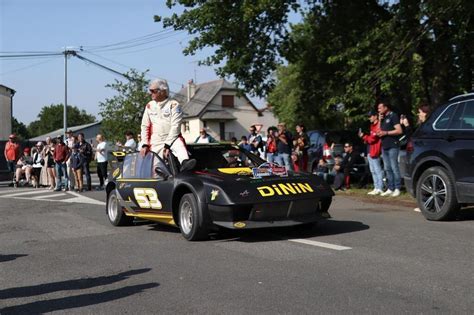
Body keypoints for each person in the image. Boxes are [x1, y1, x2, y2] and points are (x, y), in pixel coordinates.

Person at [140, 78, 195, 170]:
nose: (151, 93)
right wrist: (145, 144)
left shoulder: (174, 104)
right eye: (150, 91)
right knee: (155, 168)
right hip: (155, 141)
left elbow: (175, 126)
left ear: (163, 91)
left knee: (179, 145)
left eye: (153, 91)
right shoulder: (149, 105)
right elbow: (145, 126)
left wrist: (167, 145)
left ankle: (185, 163)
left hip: (172, 138)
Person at [376, 102, 403, 197]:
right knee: (387, 168)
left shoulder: (393, 116)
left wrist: (386, 133)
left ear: (386, 107)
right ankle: (390, 188)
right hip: (385, 146)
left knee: (394, 167)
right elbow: (378, 131)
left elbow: (399, 130)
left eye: (380, 108)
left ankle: (397, 188)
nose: (379, 110)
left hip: (393, 146)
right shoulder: (383, 118)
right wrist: (379, 120)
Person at [359, 110, 384, 195]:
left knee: (377, 170)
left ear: (375, 116)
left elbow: (372, 138)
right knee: (373, 170)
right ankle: (376, 187)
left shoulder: (378, 125)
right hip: (370, 150)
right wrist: (366, 138)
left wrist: (363, 136)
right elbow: (370, 138)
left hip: (375, 150)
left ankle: (380, 187)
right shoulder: (372, 126)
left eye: (370, 116)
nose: (369, 118)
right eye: (368, 116)